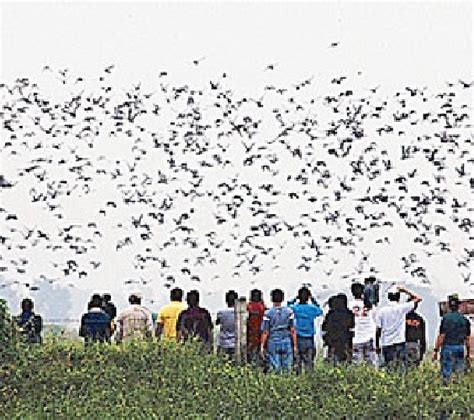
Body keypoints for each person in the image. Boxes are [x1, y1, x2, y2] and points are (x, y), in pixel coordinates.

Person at [375, 285, 422, 370]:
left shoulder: (381, 311)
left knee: (389, 368)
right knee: (400, 368)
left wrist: (377, 345)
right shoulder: (402, 308)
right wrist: (404, 290)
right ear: (398, 297)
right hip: (399, 343)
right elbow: (418, 298)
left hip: (386, 343)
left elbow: (378, 330)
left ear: (388, 297)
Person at [432, 294, 471, 385]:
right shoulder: (464, 320)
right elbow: (467, 339)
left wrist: (436, 350)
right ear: (459, 305)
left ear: (449, 305)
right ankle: (458, 390)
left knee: (447, 373)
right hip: (460, 347)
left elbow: (442, 336)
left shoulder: (446, 319)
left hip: (448, 347)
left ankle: (447, 390)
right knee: (459, 373)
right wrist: (468, 353)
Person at [260, 289, 297, 373]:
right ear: (282, 299)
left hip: (273, 341)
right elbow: (293, 330)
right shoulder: (289, 312)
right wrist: (295, 345)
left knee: (274, 367)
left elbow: (265, 331)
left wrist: (262, 345)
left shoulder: (268, 313)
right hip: (286, 340)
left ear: (271, 299)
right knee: (287, 367)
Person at [287, 286, 323, 373]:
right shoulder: (312, 309)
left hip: (298, 337)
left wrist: (295, 299)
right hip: (309, 338)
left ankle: (298, 377)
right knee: (309, 361)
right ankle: (309, 378)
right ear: (308, 297)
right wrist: (313, 300)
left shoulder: (295, 308)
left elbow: (288, 306)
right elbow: (320, 310)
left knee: (297, 361)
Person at [322, 294, 355, 364]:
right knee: (346, 359)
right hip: (345, 339)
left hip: (332, 340)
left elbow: (324, 327)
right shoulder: (349, 313)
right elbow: (352, 326)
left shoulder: (330, 314)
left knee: (333, 360)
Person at [349, 282, 377, 365]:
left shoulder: (349, 305)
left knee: (357, 365)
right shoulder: (370, 305)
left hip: (356, 338)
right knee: (370, 364)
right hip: (369, 337)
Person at [247, 289, 267, 366]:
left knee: (252, 358)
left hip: (251, 337)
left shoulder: (248, 308)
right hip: (262, 336)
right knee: (262, 357)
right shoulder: (264, 308)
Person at [216, 290, 238, 358]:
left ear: (226, 300)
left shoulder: (221, 313)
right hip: (235, 343)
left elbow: (217, 323)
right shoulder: (239, 313)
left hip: (223, 342)